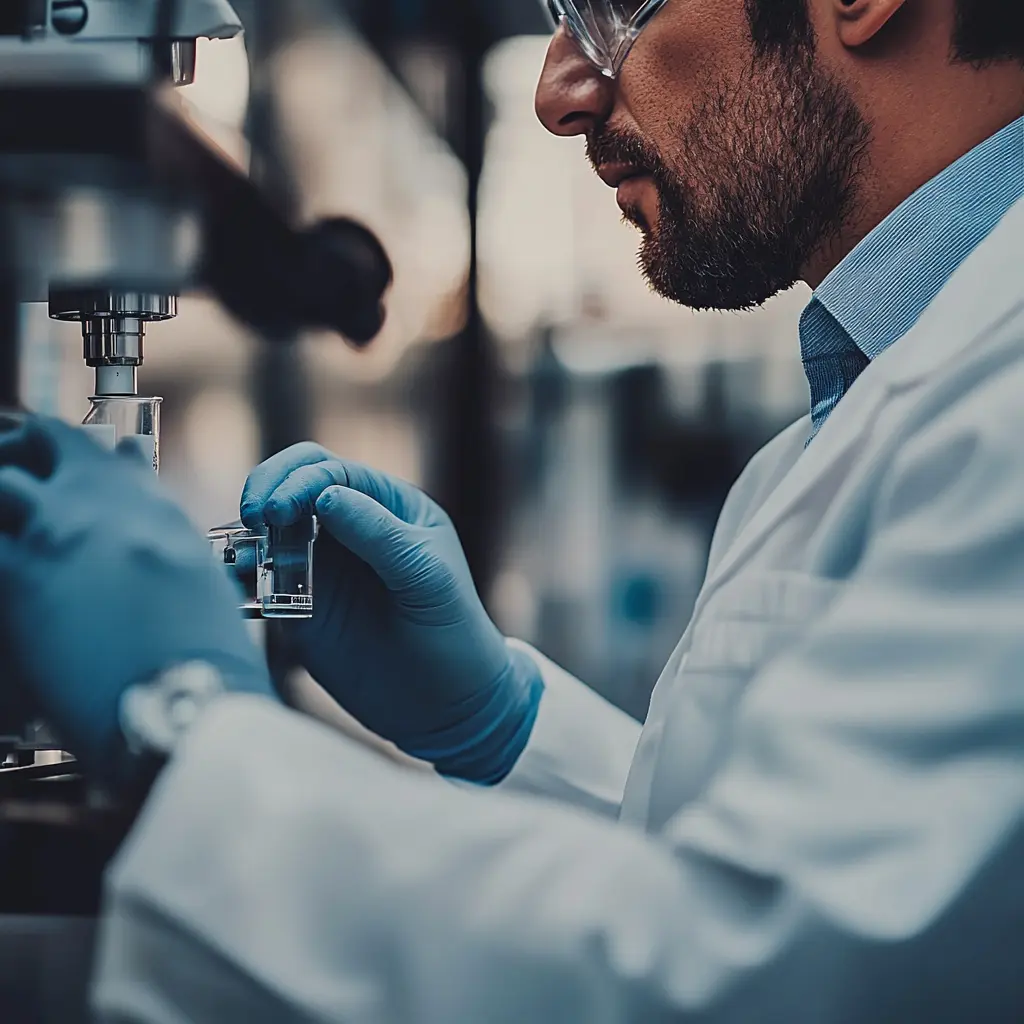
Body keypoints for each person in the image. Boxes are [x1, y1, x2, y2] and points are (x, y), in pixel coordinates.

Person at [3, 0, 1024, 1019]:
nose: (557, 95)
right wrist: (502, 726)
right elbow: (785, 875)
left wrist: (181, 730)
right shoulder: (856, 414)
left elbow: (756, 983)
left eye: (608, 8)